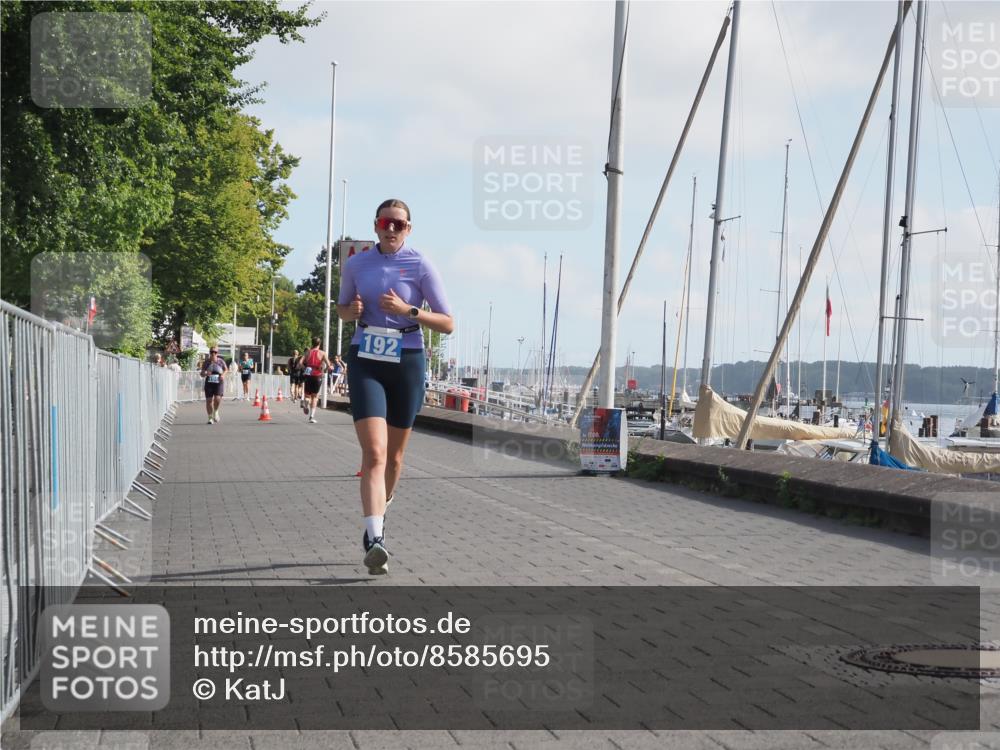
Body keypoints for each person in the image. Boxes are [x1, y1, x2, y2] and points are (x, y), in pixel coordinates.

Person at [337, 199, 453, 575]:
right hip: (366, 355)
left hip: (407, 358)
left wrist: (409, 311)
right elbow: (341, 308)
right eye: (386, 222)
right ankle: (375, 539)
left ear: (409, 229)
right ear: (375, 225)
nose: (391, 229)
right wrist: (349, 312)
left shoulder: (421, 264)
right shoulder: (357, 264)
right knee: (374, 452)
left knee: (396, 458)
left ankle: (380, 514)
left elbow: (448, 323)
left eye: (399, 224)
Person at [301, 337, 332, 424]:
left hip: (308, 374)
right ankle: (311, 417)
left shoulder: (308, 352)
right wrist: (325, 371)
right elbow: (329, 366)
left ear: (312, 343)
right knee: (315, 397)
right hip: (317, 375)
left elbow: (300, 363)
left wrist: (305, 368)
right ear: (319, 344)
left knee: (307, 395)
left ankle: (306, 402)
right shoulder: (322, 353)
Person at [200, 347, 228, 424]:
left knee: (217, 398)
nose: (213, 353)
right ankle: (210, 418)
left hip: (219, 382)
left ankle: (215, 411)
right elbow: (202, 373)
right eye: (212, 352)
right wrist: (205, 373)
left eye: (215, 352)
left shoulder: (221, 361)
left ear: (217, 353)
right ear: (210, 352)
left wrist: (223, 375)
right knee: (209, 400)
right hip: (209, 382)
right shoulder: (206, 362)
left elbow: (226, 369)